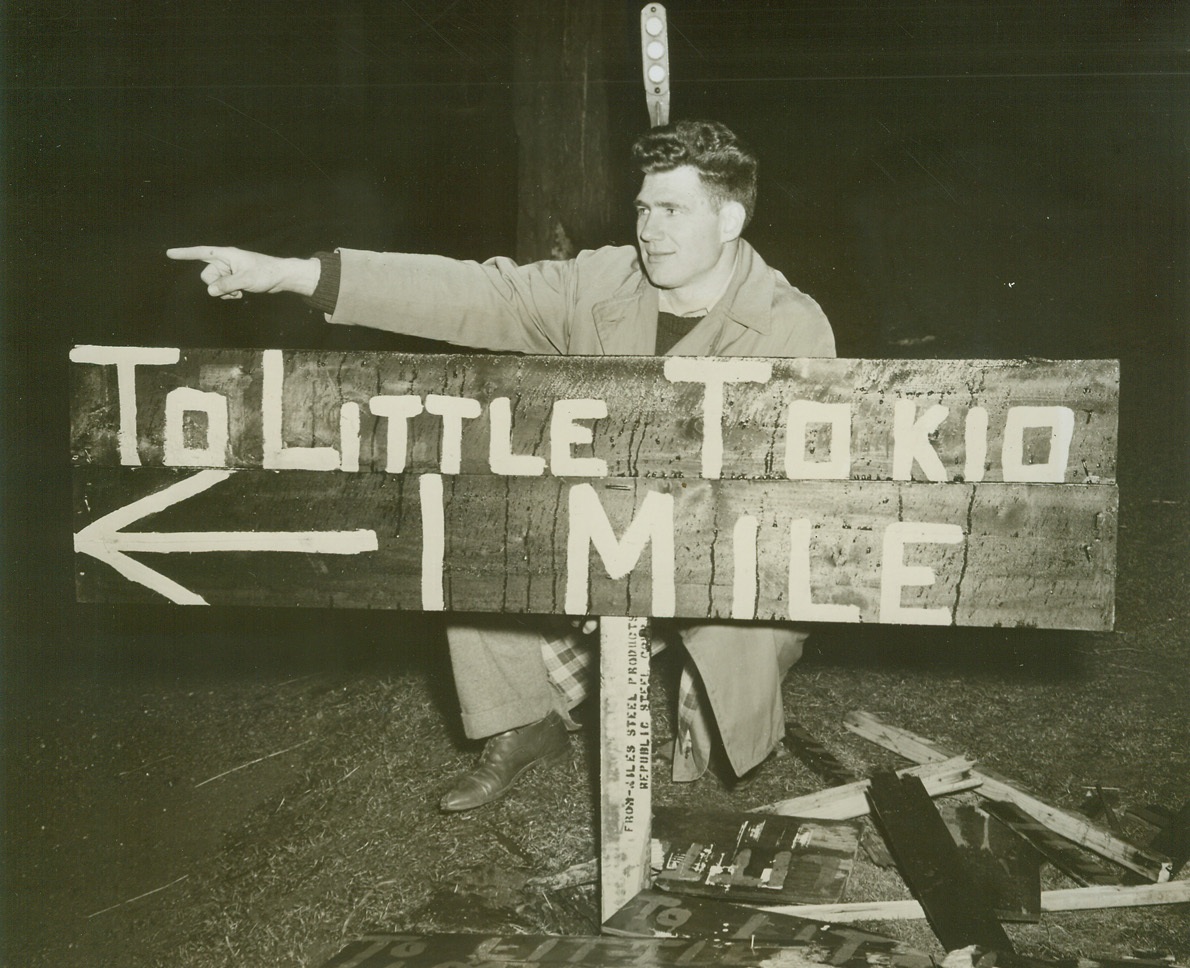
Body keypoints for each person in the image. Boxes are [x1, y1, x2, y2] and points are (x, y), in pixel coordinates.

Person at [168, 119, 836, 812]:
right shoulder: (601, 281)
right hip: (598, 525)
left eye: (673, 210)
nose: (649, 230)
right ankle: (524, 722)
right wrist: (289, 275)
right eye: (643, 208)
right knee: (474, 516)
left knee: (729, 677)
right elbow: (473, 294)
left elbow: (790, 509)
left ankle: (706, 716)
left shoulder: (792, 324)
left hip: (713, 553)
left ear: (729, 218)